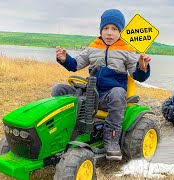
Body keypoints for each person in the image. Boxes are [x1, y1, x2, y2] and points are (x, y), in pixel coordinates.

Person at [51, 9, 151, 160]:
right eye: (106, 28)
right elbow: (75, 64)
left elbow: (138, 75)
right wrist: (65, 59)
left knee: (117, 93)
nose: (109, 33)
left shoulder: (128, 50)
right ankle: (62, 130)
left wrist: (143, 68)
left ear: (120, 31)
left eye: (114, 29)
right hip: (91, 94)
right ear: (101, 29)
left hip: (109, 97)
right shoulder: (93, 47)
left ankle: (111, 139)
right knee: (58, 89)